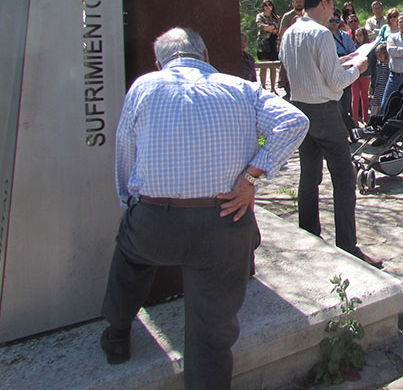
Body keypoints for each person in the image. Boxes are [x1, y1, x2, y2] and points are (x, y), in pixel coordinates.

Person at [99, 28, 309, 388]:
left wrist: (128, 202)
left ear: (159, 62)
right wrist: (251, 177)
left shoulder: (146, 86)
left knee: (130, 254)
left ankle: (117, 333)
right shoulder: (241, 89)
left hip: (155, 221)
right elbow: (294, 121)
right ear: (206, 54)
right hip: (225, 222)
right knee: (211, 331)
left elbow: (125, 148)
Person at [280, 0, 381, 268]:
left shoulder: (290, 32)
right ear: (324, 3)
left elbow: (303, 68)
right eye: (332, 9)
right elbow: (336, 83)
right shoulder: (321, 33)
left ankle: (309, 234)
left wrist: (342, 61)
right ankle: (347, 246)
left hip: (299, 108)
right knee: (345, 177)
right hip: (324, 111)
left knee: (309, 176)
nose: (333, 16)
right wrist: (357, 68)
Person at [329, 7, 357, 136]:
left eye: (336, 20)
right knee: (337, 106)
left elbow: (353, 51)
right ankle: (344, 132)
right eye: (331, 20)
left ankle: (348, 131)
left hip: (346, 73)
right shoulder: (323, 37)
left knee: (346, 104)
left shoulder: (345, 36)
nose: (334, 23)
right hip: (332, 73)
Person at [277, 0, 304, 100]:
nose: (299, 3)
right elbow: (282, 33)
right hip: (291, 49)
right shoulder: (288, 16)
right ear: (293, 3)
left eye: (300, 1)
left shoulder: (306, 15)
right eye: (296, 1)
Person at [255, 0, 280, 91]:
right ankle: (263, 87)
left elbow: (278, 29)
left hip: (273, 43)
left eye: (269, 5)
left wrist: (271, 28)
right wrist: (272, 28)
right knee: (264, 66)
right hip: (263, 43)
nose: (267, 7)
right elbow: (261, 27)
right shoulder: (260, 16)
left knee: (273, 66)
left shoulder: (276, 17)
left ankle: (273, 88)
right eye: (265, 5)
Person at [350, 27, 371, 125]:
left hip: (366, 74)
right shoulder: (353, 47)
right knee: (355, 96)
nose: (358, 37)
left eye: (360, 35)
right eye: (357, 35)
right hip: (355, 74)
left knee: (364, 95)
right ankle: (354, 119)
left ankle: (365, 117)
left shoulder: (369, 47)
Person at [370, 44, 391, 117]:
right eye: (377, 57)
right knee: (375, 107)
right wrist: (372, 86)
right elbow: (375, 76)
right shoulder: (378, 65)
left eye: (380, 56)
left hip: (385, 88)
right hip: (378, 87)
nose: (379, 58)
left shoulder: (390, 65)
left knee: (384, 105)